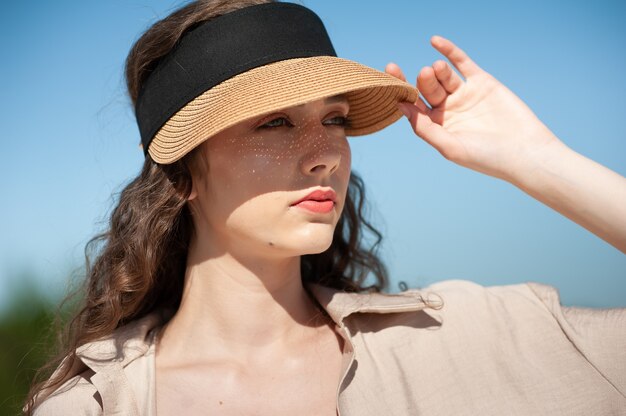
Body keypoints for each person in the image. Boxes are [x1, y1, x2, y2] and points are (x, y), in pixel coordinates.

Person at [26, 0, 626, 415]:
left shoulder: (461, 336)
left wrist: (540, 161)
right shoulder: (95, 405)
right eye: (275, 122)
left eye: (334, 119)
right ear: (183, 174)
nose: (325, 157)